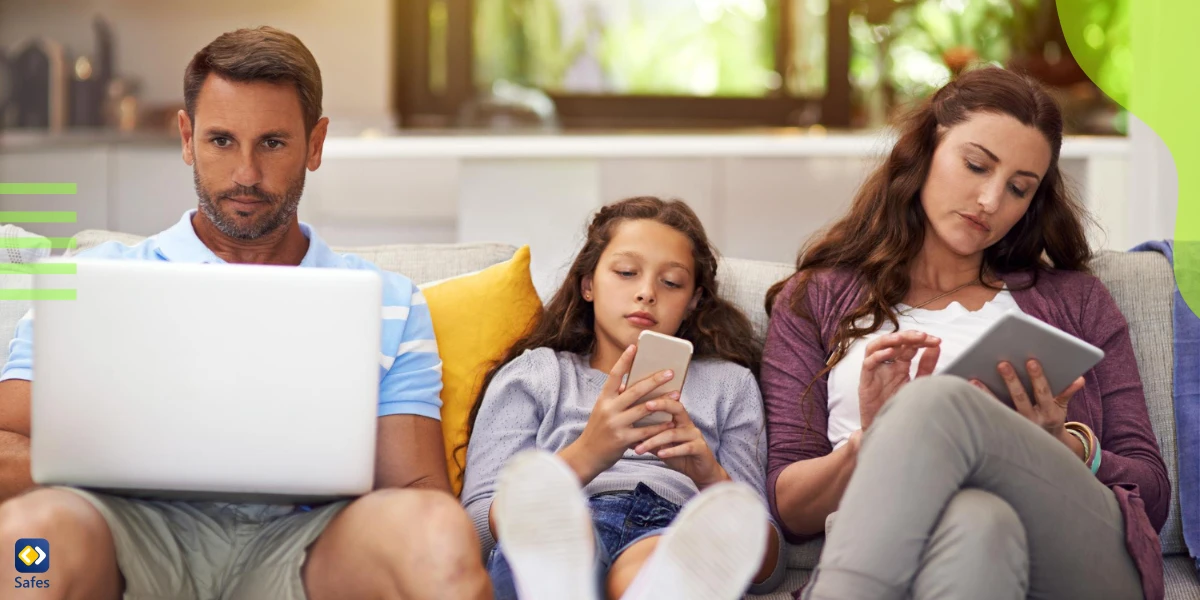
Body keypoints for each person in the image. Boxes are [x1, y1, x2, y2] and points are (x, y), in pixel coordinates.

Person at [0, 27, 490, 600]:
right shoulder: (90, 286)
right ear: (187, 138)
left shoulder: (389, 300)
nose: (246, 175)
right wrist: (131, 455)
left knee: (438, 536)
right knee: (31, 539)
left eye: (274, 143)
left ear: (315, 143)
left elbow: (418, 491)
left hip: (310, 544)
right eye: (222, 141)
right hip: (128, 532)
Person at [761, 66, 1169, 600]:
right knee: (978, 522)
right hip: (927, 549)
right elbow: (790, 511)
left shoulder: (1076, 300)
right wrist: (878, 440)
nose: (990, 201)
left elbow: (1153, 495)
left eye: (1019, 189)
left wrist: (1061, 444)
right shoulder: (813, 298)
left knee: (936, 402)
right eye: (976, 165)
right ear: (926, 150)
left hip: (1082, 554)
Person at [459, 197, 786, 600]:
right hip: (557, 519)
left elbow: (769, 570)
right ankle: (558, 571)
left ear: (694, 302)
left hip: (671, 528)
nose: (647, 293)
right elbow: (473, 530)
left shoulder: (729, 385)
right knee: (556, 536)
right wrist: (588, 454)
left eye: (671, 282)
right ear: (588, 284)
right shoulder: (536, 374)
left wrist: (710, 478)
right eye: (627, 272)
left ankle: (649, 583)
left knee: (656, 561)